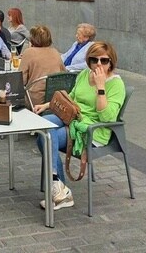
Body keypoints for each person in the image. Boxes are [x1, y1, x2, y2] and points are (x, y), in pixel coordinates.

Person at [34, 41, 125, 210]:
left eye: (104, 61)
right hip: (73, 117)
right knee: (42, 128)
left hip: (93, 130)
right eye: (94, 60)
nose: (98, 64)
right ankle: (60, 190)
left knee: (48, 136)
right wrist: (47, 105)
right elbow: (71, 98)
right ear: (88, 61)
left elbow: (107, 117)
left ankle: (58, 188)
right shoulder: (84, 74)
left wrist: (100, 87)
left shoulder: (116, 84)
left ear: (111, 62)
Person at [19, 25, 67, 108]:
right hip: (54, 99)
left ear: (32, 39)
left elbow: (20, 81)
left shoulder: (29, 52)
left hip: (34, 100)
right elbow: (64, 75)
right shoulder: (55, 52)